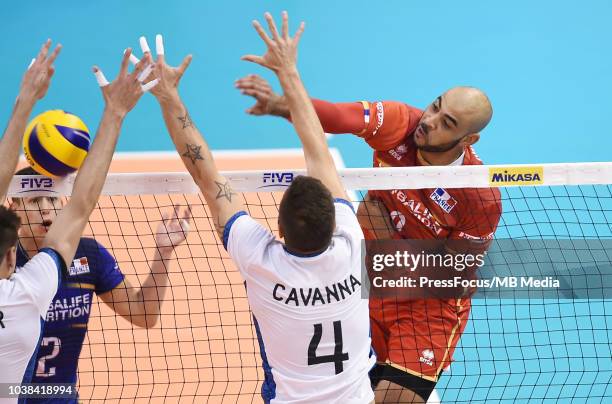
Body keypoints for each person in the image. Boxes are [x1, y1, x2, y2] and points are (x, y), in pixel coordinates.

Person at [134, 12, 376, 403]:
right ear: (334, 223)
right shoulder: (352, 244)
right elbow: (318, 145)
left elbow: (205, 173)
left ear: (278, 229)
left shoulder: (260, 260)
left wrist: (168, 96)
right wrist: (289, 71)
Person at [236, 68, 502, 402]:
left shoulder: (478, 195)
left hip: (427, 309)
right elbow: (337, 116)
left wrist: (386, 239)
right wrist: (280, 105)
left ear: (468, 140)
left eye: (447, 123)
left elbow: (453, 273)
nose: (430, 120)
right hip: (367, 285)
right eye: (435, 106)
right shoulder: (401, 123)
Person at [0, 43, 151, 404]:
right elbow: (81, 205)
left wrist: (24, 101)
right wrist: (115, 112)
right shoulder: (27, 293)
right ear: (9, 257)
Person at [9, 168, 190, 403]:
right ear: (15, 210)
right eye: (34, 200)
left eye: (53, 198)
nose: (46, 207)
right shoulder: (5, 261)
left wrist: (163, 254)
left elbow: (144, 314)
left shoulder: (88, 255)